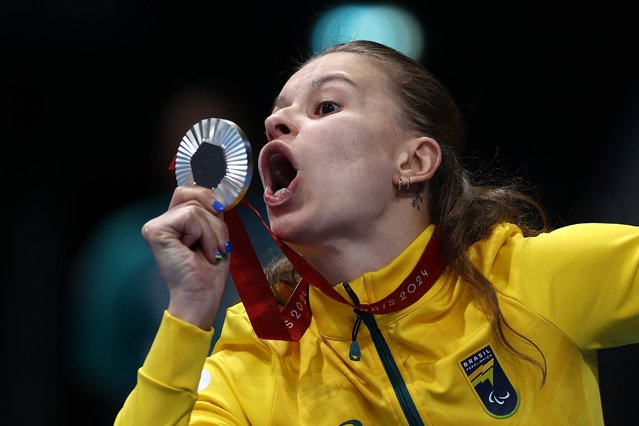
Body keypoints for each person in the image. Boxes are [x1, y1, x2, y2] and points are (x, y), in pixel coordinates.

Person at [114, 40, 639, 425]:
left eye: (326, 107)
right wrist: (188, 310)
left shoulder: (534, 281)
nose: (276, 125)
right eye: (275, 118)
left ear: (413, 160)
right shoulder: (262, 354)